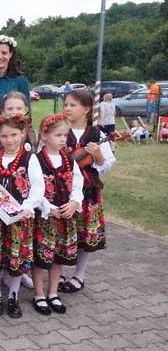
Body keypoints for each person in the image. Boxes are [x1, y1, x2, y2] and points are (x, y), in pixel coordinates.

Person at [0, 114, 44, 318]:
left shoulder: (29, 158)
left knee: (16, 259)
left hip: (20, 220)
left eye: (14, 135)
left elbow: (38, 186)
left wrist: (28, 206)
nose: (9, 140)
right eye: (4, 136)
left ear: (23, 134)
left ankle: (13, 296)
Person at [59, 90, 115, 293]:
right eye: (66, 104)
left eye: (72, 105)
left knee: (84, 235)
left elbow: (106, 165)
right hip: (63, 191)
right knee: (62, 232)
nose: (67, 108)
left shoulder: (97, 134)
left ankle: (79, 275)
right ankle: (60, 273)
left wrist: (98, 155)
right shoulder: (59, 131)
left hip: (88, 192)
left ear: (86, 109)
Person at [32, 114, 83, 316]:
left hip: (65, 216)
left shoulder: (69, 160)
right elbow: (35, 188)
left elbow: (77, 183)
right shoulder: (36, 160)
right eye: (58, 135)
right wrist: (47, 206)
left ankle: (53, 292)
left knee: (58, 258)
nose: (63, 139)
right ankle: (38, 294)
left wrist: (74, 202)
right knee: (41, 257)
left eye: (65, 135)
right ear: (44, 136)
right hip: (45, 218)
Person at [0, 91, 36, 169]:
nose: (14, 112)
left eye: (19, 108)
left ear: (26, 110)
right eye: (10, 109)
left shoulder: (33, 134)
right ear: (3, 111)